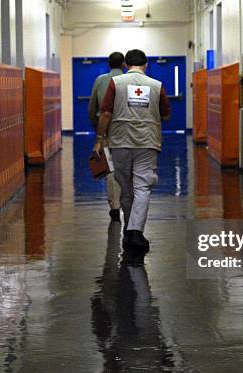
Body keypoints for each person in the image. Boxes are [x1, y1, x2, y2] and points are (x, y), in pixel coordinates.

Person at [93, 49, 171, 262]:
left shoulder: (116, 83)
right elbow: (166, 114)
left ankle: (131, 229)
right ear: (146, 65)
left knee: (125, 187)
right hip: (147, 142)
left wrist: (100, 139)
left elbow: (106, 112)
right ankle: (134, 231)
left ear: (127, 64)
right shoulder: (156, 85)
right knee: (143, 186)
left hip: (120, 142)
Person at [89, 52, 126, 222]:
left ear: (109, 64)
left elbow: (92, 108)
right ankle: (126, 202)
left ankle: (114, 205)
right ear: (124, 64)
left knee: (110, 168)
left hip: (105, 130)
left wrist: (98, 131)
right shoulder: (128, 81)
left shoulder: (100, 80)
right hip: (125, 130)